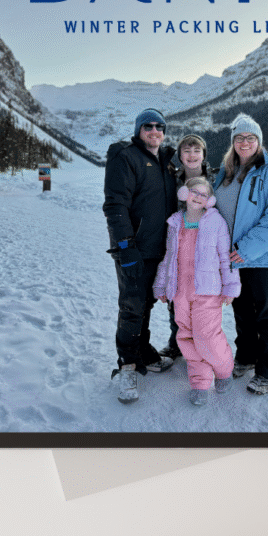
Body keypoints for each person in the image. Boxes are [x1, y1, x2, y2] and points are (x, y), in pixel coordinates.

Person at [212, 114, 268, 396]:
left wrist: (246, 249)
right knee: (242, 311)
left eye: (250, 138)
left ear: (258, 141)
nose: (244, 143)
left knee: (266, 314)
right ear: (233, 142)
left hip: (263, 257)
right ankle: (246, 357)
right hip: (233, 257)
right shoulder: (227, 171)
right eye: (239, 138)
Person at [103, 107, 177, 403]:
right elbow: (115, 205)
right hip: (134, 249)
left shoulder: (166, 162)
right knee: (132, 307)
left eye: (159, 126)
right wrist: (125, 247)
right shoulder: (126, 157)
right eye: (148, 126)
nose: (154, 130)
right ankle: (127, 367)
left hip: (159, 249)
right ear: (138, 130)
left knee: (147, 303)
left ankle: (142, 353)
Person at [153, 177, 240, 405]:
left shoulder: (216, 222)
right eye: (194, 191)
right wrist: (161, 284)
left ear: (209, 200)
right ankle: (200, 382)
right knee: (187, 337)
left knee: (207, 336)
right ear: (184, 193)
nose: (198, 197)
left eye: (204, 194)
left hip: (208, 291)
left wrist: (230, 286)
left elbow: (226, 258)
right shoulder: (175, 222)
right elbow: (168, 257)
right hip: (180, 292)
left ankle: (224, 371)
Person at [159, 133, 212, 360]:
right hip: (178, 246)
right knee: (177, 296)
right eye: (187, 151)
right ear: (180, 156)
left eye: (196, 151)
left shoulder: (216, 179)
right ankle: (177, 343)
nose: (192, 155)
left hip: (205, 248)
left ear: (203, 154)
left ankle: (204, 344)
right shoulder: (171, 179)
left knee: (205, 299)